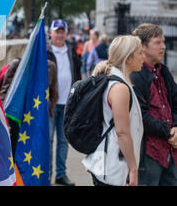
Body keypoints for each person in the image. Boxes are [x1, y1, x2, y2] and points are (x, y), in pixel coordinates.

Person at [83, 35, 144, 186]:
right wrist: (134, 169)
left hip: (108, 164)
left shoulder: (114, 80)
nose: (143, 57)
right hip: (113, 168)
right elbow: (122, 132)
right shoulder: (120, 88)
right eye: (140, 53)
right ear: (128, 58)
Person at [131, 23, 177, 186]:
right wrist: (168, 132)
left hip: (171, 151)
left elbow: (176, 104)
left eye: (163, 42)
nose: (163, 47)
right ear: (143, 46)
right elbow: (140, 117)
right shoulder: (136, 75)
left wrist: (176, 127)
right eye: (158, 42)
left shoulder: (164, 72)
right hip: (148, 154)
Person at [47, 19, 81, 186]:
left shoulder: (72, 51)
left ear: (66, 34)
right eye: (57, 31)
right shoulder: (45, 51)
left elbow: (78, 75)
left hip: (68, 104)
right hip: (49, 105)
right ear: (51, 33)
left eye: (62, 32)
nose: (59, 35)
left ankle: (61, 174)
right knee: (48, 140)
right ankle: (47, 174)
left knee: (63, 141)